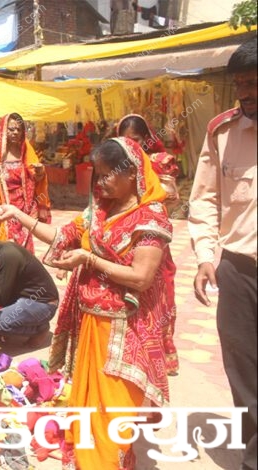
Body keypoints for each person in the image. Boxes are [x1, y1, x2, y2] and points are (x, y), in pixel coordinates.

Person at [0, 137, 173, 469]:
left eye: (108, 175)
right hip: (91, 324)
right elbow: (61, 235)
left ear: (131, 172)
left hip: (124, 332)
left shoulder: (151, 217)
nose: (101, 183)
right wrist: (16, 213)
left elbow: (141, 277)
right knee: (89, 409)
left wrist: (89, 260)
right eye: (98, 175)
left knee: (113, 419)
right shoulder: (99, 212)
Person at [189, 37, 257, 470]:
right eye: (240, 85)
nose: (245, 93)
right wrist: (205, 256)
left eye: (253, 83)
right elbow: (205, 199)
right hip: (238, 269)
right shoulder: (222, 130)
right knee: (243, 368)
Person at [118, 113, 180, 376]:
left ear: (145, 140)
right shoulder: (115, 164)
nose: (130, 145)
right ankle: (133, 349)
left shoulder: (160, 162)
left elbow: (173, 199)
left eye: (135, 140)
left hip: (151, 238)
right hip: (122, 239)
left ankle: (161, 353)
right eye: (123, 140)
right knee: (127, 292)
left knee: (159, 293)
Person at [0, 113, 50, 253]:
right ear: (3, 130)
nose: (15, 132)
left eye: (19, 129)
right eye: (11, 129)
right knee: (8, 246)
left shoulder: (26, 152)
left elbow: (35, 178)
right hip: (3, 208)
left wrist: (41, 173)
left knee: (25, 247)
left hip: (24, 208)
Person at [0, 237, 59, 347]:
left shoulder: (7, 255)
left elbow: (0, 297)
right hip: (25, 298)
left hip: (43, 303)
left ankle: (40, 329)